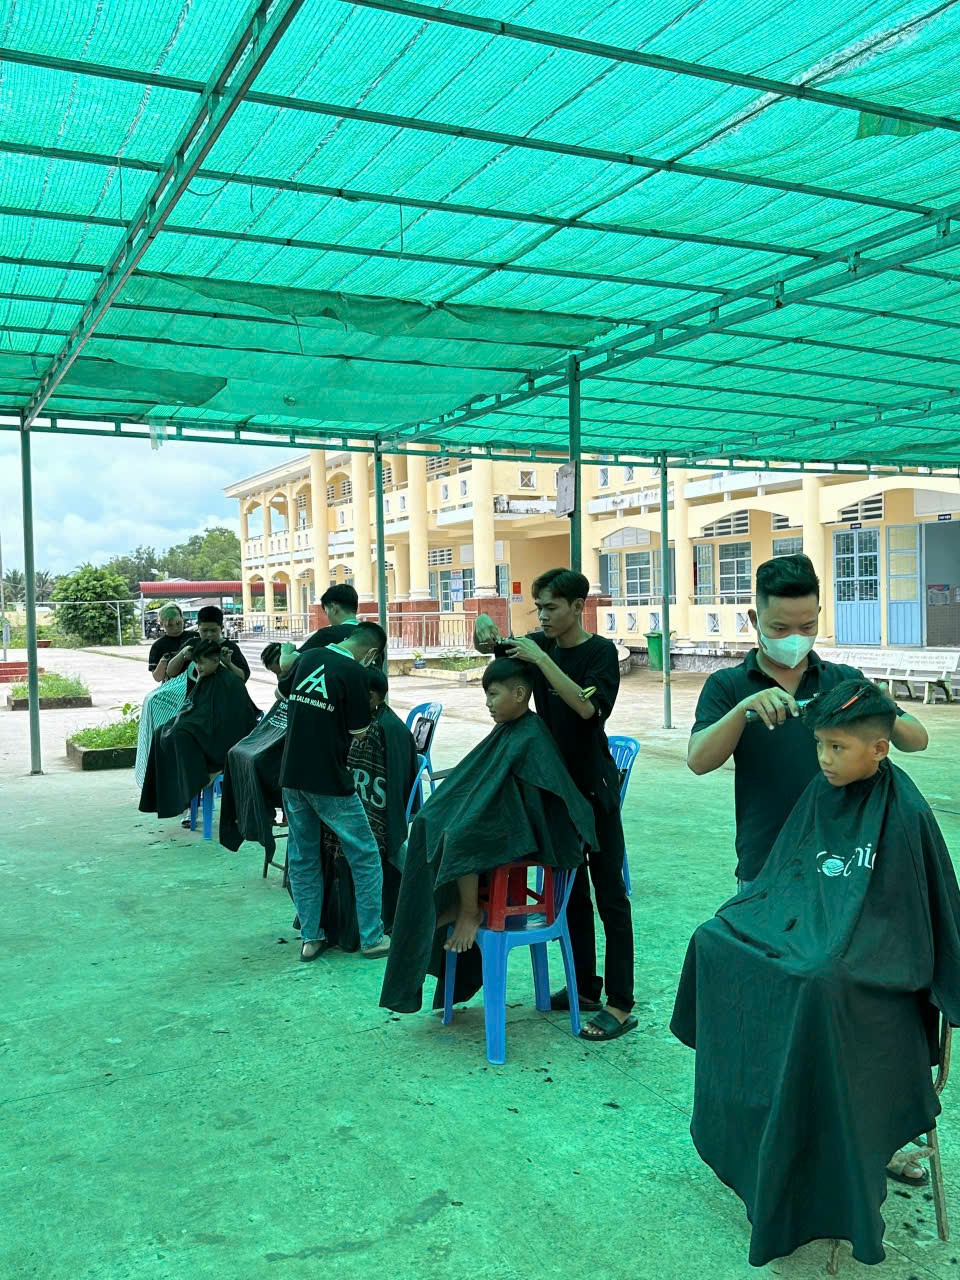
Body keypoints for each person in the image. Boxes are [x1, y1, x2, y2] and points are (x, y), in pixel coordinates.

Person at [671, 680, 960, 1267]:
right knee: (715, 940)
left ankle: (823, 1158)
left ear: (879, 749)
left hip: (876, 980)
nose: (824, 759)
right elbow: (788, 879)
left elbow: (906, 924)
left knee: (816, 983)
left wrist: (832, 947)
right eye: (820, 745)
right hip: (813, 935)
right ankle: (758, 1131)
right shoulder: (819, 793)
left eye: (837, 748)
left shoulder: (904, 812)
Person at [688, 552, 928, 892]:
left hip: (842, 858)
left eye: (807, 627)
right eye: (780, 628)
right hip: (766, 861)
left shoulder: (842, 680)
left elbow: (917, 740)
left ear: (818, 615)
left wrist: (884, 708)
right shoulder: (728, 686)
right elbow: (698, 761)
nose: (795, 638)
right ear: (755, 619)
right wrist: (742, 711)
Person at [473, 568, 636, 1043]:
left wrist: (542, 660)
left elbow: (587, 709)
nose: (542, 616)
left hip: (595, 790)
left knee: (610, 896)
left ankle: (621, 1003)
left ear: (577, 607)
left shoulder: (600, 653)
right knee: (573, 894)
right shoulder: (536, 645)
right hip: (557, 791)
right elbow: (496, 652)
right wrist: (484, 629)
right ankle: (585, 986)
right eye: (538, 607)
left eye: (551, 607)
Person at [380, 658, 595, 1016]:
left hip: (536, 830)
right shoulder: (510, 730)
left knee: (462, 835)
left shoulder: (531, 735)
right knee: (429, 823)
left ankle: (469, 911)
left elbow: (536, 797)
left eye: (493, 695)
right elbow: (485, 778)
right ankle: (444, 905)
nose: (488, 704)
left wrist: (483, 808)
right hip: (511, 815)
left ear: (519, 694)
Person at [280, 620, 391, 962]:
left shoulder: (309, 657)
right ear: (372, 654)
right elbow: (359, 731)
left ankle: (311, 938)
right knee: (365, 854)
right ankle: (372, 938)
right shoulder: (355, 672)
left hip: (292, 774)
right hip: (328, 778)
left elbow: (283, 694)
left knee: (303, 856)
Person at [139, 639, 260, 820]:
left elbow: (231, 721)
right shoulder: (206, 678)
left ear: (216, 661)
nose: (198, 667)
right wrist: (181, 722)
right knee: (160, 733)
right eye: (196, 662)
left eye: (202, 663)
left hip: (225, 737)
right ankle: (162, 799)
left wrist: (188, 724)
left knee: (180, 735)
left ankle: (207, 772)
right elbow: (195, 708)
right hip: (206, 727)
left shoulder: (230, 682)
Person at [278, 584, 386, 686]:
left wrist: (285, 652)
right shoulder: (374, 638)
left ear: (333, 608)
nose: (328, 617)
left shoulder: (327, 634)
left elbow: (287, 665)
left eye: (326, 611)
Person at [166, 605, 250, 684]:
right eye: (204, 630)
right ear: (198, 628)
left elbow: (243, 677)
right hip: (194, 694)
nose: (209, 634)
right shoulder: (192, 644)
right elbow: (170, 672)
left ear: (221, 628)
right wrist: (181, 655)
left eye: (214, 630)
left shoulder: (230, 648)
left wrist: (228, 663)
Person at [147, 604, 198, 683]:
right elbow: (157, 678)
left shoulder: (195, 637)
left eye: (178, 623)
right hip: (172, 687)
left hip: (196, 683)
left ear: (182, 618)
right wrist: (163, 662)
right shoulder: (158, 646)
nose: (175, 628)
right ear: (161, 624)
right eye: (170, 625)